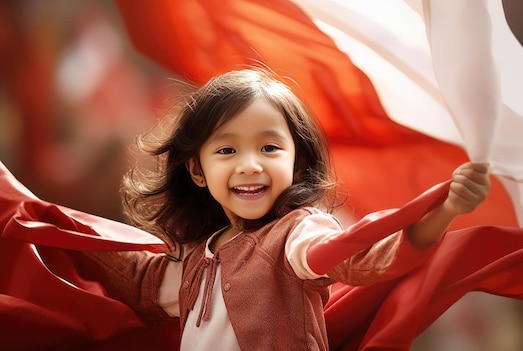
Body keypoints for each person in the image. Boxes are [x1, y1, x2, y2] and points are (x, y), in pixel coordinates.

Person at [15, 67, 490, 350]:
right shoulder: (199, 258)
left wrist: (444, 209)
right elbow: (140, 281)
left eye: (269, 148)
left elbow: (355, 254)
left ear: (296, 161)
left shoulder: (297, 235)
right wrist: (34, 216)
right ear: (197, 172)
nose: (249, 166)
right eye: (226, 151)